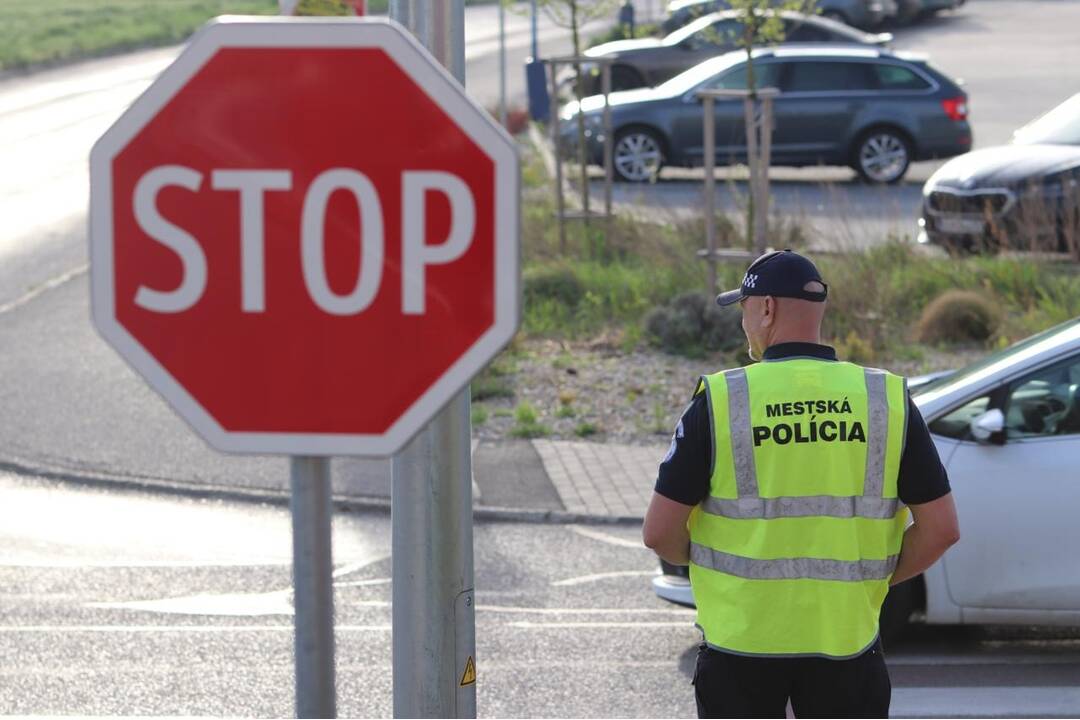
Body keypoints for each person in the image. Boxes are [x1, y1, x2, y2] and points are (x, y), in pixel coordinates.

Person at [642, 249, 960, 719]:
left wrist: (722, 577)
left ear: (766, 308)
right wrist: (865, 581)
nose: (744, 323)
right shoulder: (884, 398)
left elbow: (659, 533)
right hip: (846, 643)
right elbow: (942, 529)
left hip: (740, 646)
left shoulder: (724, 400)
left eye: (745, 308)